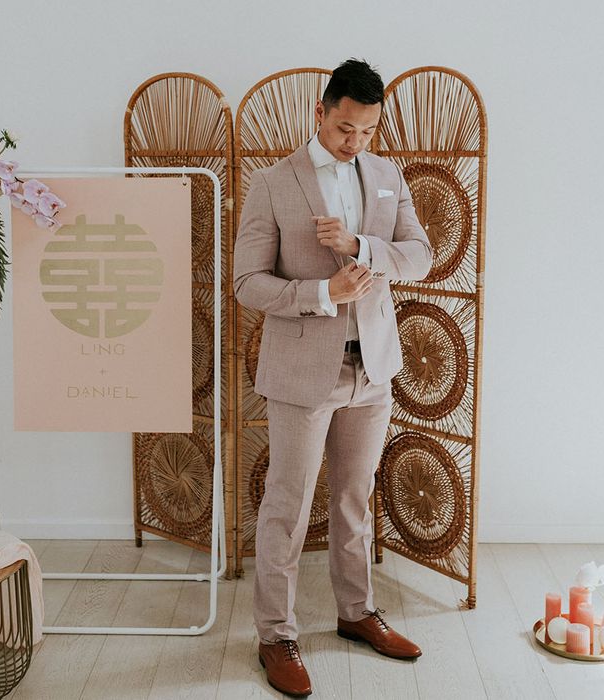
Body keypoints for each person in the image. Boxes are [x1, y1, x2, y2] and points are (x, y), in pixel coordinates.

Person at [233, 58, 433, 698]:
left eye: (368, 131)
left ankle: (355, 613)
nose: (356, 142)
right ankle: (275, 634)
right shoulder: (271, 183)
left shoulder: (385, 174)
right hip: (300, 371)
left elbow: (421, 255)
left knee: (353, 500)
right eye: (346, 128)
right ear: (320, 113)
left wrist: (361, 249)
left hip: (372, 368)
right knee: (287, 508)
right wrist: (322, 290)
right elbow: (246, 284)